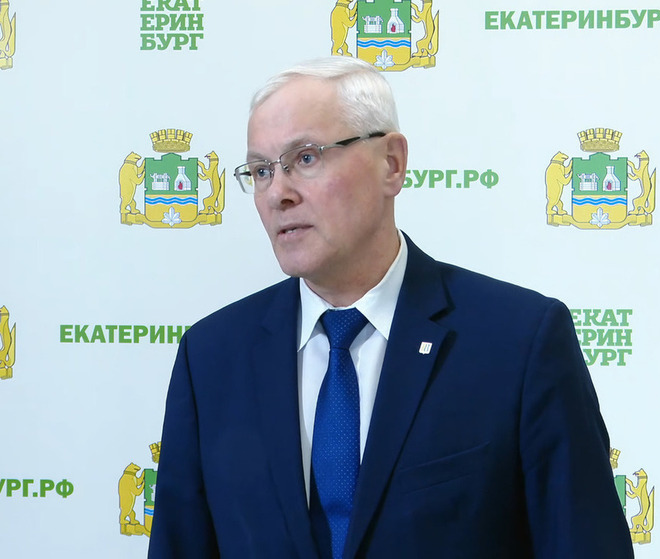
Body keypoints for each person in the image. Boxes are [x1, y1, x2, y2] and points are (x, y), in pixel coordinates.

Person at [148, 57, 634, 559]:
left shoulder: (518, 342)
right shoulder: (211, 358)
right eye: (262, 171)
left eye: (306, 159)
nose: (278, 194)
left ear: (391, 164)